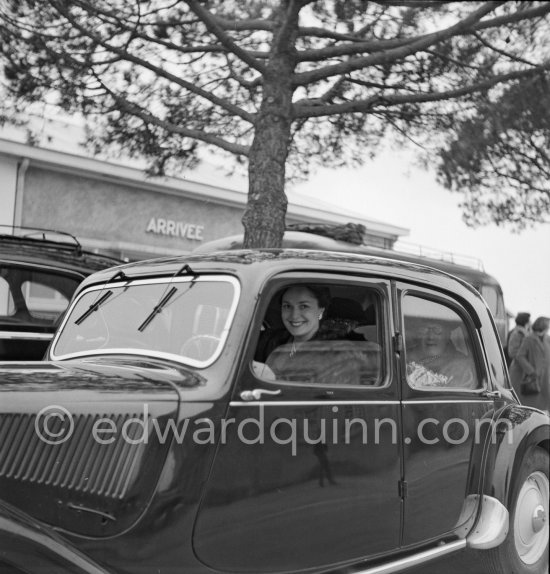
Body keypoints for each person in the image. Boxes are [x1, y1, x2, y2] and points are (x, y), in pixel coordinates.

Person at [253, 284, 363, 385]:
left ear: (320, 310)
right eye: (287, 306)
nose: (294, 316)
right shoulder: (271, 340)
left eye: (304, 306)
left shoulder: (338, 354)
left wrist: (274, 380)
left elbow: (329, 400)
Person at [406, 319, 478, 389]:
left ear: (448, 335)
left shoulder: (463, 367)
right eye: (425, 329)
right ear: (418, 334)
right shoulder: (403, 357)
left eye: (437, 330)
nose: (431, 337)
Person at [510, 316, 550, 411]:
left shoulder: (547, 339)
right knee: (534, 404)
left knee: (545, 403)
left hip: (545, 376)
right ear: (543, 326)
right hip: (534, 376)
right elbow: (520, 356)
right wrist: (530, 370)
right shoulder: (529, 339)